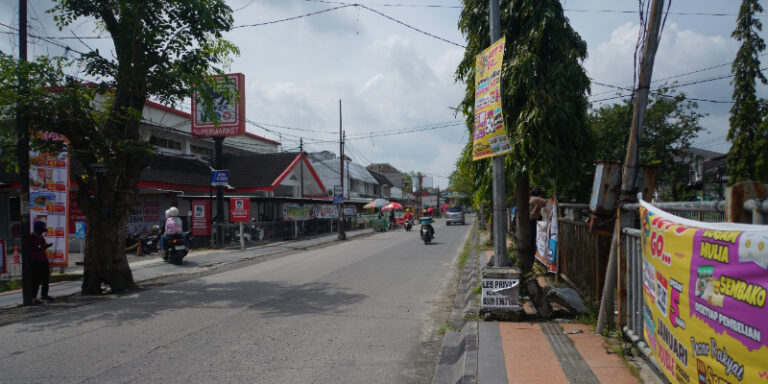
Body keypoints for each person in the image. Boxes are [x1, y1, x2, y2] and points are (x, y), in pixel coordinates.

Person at [30, 221, 54, 303]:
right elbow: (30, 248)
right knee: (36, 279)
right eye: (41, 231)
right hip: (35, 260)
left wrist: (46, 246)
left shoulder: (41, 237)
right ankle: (33, 297)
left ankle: (44, 295)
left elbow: (43, 247)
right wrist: (39, 247)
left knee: (46, 278)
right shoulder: (31, 237)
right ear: (36, 229)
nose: (42, 232)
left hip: (43, 259)